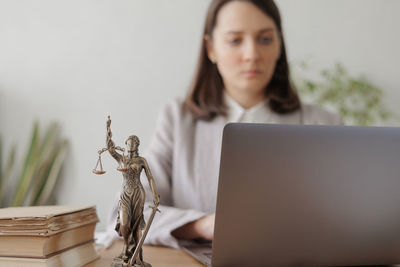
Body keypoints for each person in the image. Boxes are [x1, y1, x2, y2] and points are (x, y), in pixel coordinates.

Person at [106, 0, 342, 249]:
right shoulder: (178, 120)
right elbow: (127, 216)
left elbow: (347, 216)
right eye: (235, 40)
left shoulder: (324, 124)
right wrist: (204, 225)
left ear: (279, 45)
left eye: (265, 39)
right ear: (211, 48)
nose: (252, 54)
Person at [105, 116, 160, 266]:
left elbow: (150, 178)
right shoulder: (121, 159)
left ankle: (135, 255)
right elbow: (110, 148)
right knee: (124, 224)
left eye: (133, 144)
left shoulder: (141, 161)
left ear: (137, 145)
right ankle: (125, 248)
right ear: (126, 145)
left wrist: (155, 195)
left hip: (138, 193)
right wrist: (108, 129)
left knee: (136, 225)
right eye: (128, 144)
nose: (130, 146)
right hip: (124, 194)